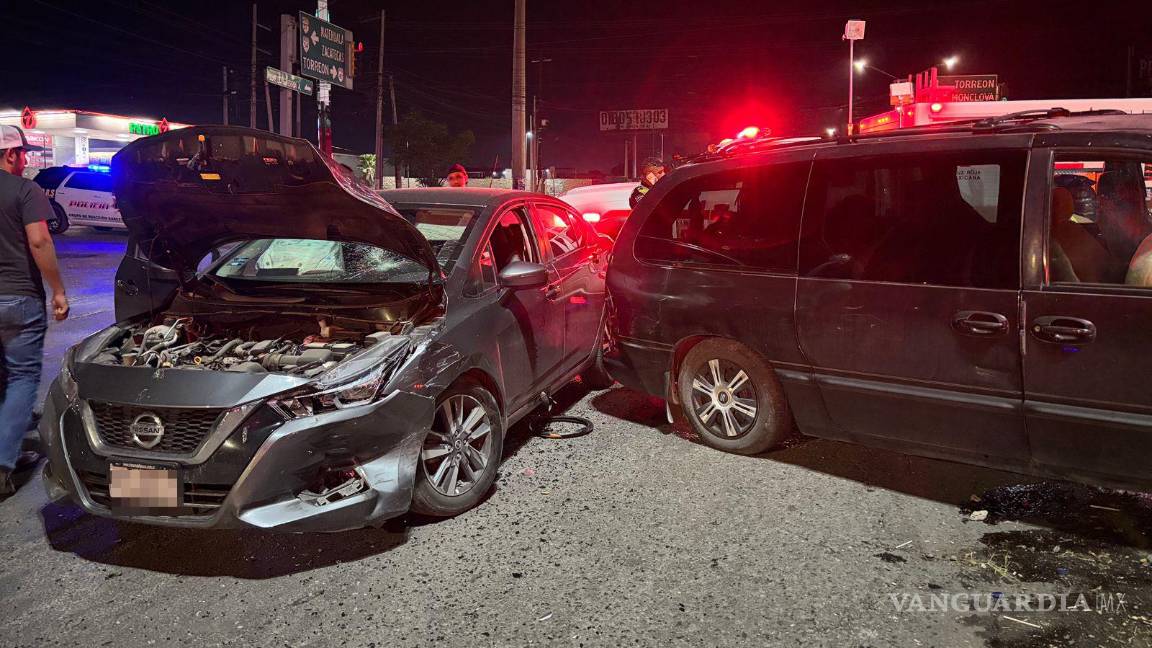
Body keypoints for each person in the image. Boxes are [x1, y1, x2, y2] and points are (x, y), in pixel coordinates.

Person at [0, 125, 69, 497]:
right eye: (23, 154)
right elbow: (40, 240)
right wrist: (58, 290)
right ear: (11, 154)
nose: (25, 160)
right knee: (21, 381)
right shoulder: (25, 190)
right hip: (17, 299)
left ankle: (7, 446)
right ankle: (2, 465)